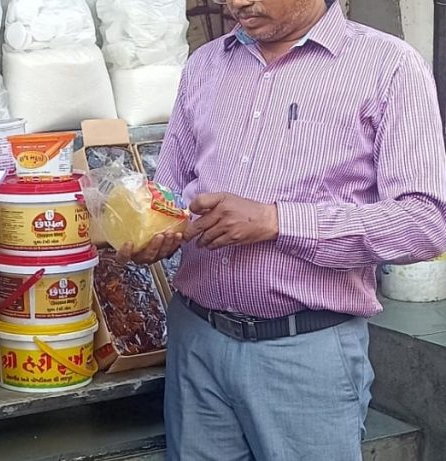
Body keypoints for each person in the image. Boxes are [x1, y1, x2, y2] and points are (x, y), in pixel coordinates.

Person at [119, 0, 446, 459]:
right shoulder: (206, 64)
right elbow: (170, 191)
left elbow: (424, 222)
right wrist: (150, 230)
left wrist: (277, 221)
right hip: (197, 342)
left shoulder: (388, 66)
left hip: (304, 351)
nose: (237, 3)